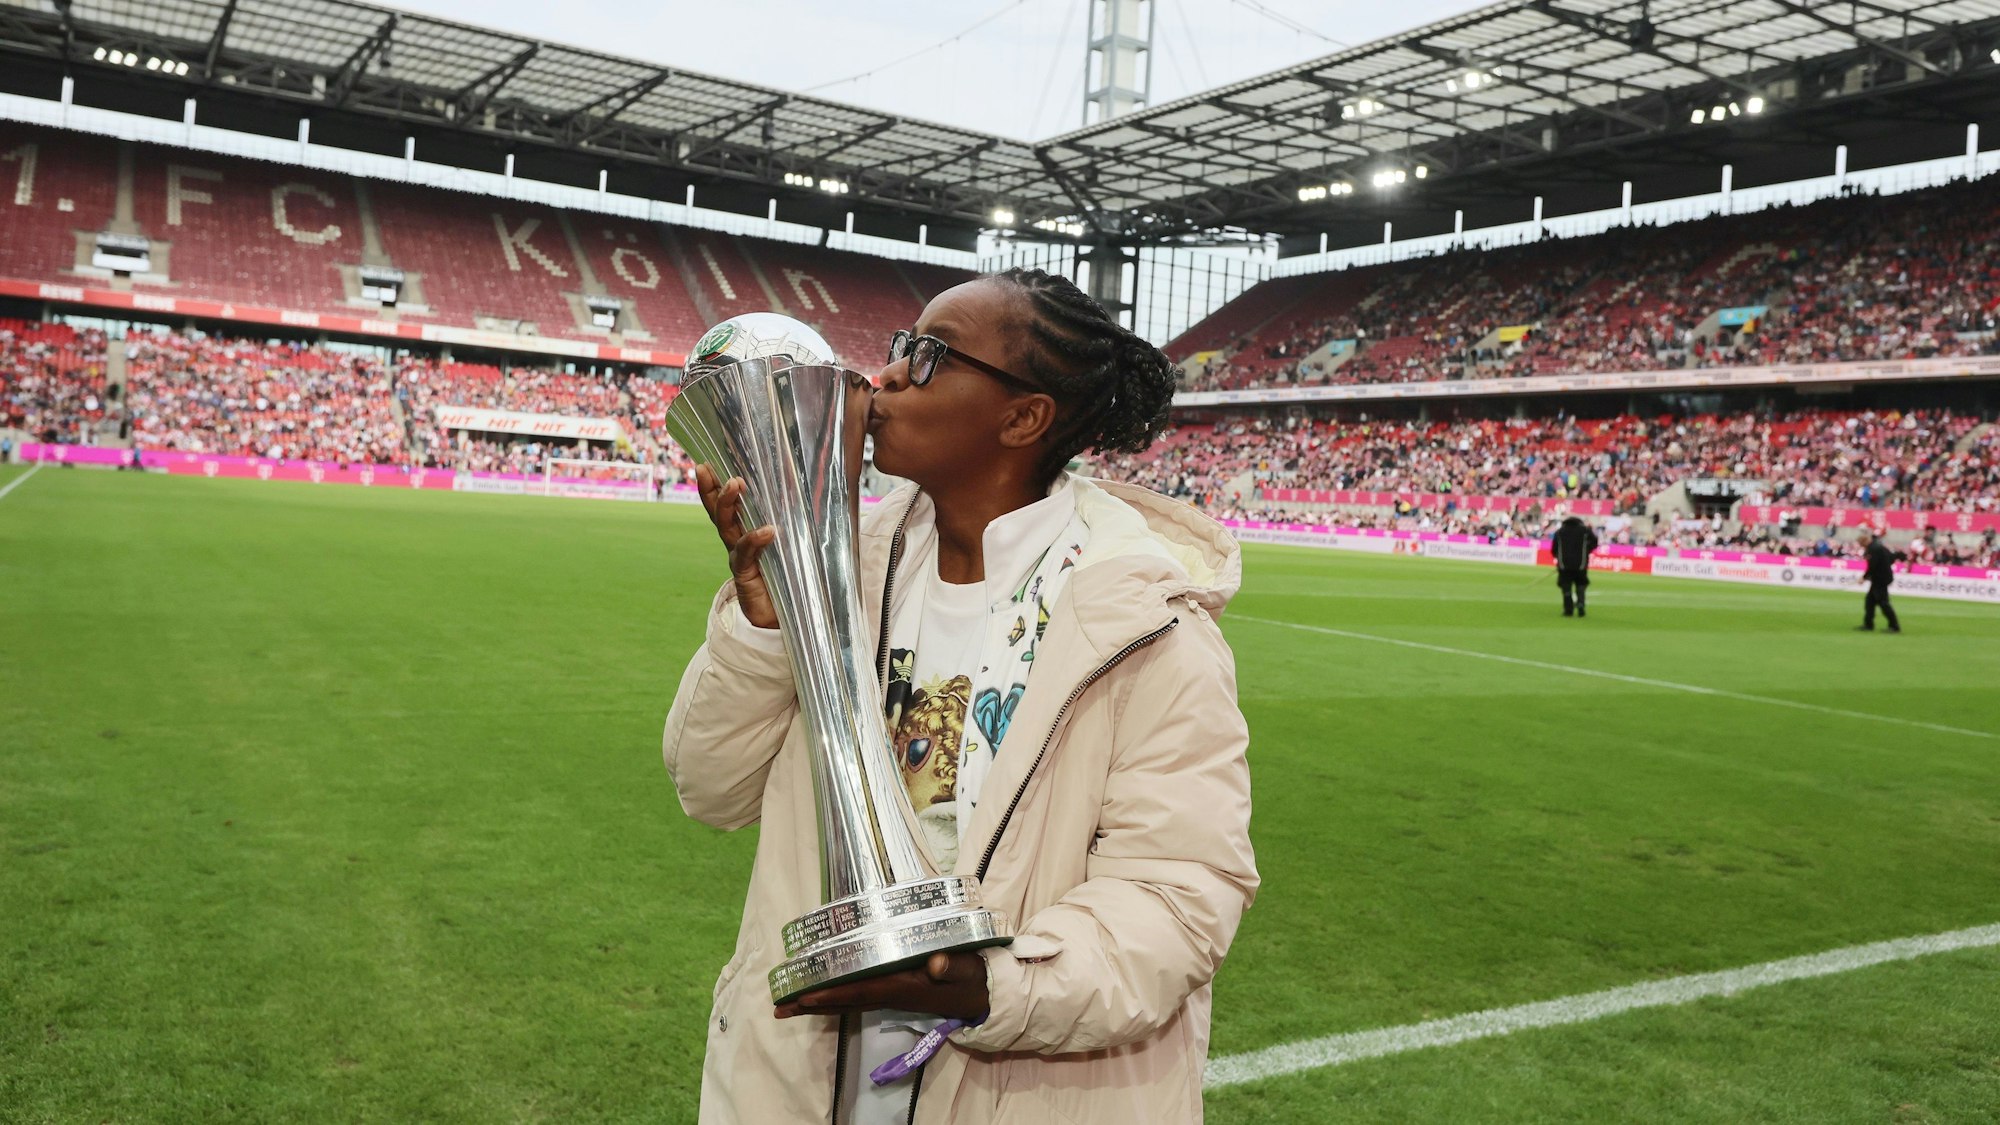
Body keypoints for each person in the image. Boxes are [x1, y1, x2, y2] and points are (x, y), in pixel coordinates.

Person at [663, 268, 1257, 1124]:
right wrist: (764, 629)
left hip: (1027, 1092)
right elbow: (709, 790)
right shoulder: (845, 568)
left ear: (1023, 417)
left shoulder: (1149, 628)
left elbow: (1178, 894)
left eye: (930, 355)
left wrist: (989, 985)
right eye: (901, 345)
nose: (890, 374)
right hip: (799, 1088)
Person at [1854, 527, 1903, 632]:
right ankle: (1868, 624)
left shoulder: (1873, 549)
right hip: (1881, 578)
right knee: (1870, 602)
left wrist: (1864, 577)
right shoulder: (1879, 547)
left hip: (1880, 579)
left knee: (1883, 602)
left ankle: (1894, 626)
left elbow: (1873, 566)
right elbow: (1891, 558)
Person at [1550, 514, 1599, 617]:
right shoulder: (1585, 530)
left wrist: (1559, 559)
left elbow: (1554, 549)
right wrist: (1587, 551)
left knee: (1566, 586)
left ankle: (1568, 610)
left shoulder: (1560, 532)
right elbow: (1595, 542)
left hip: (1564, 565)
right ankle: (1581, 604)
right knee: (1581, 584)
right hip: (1581, 564)